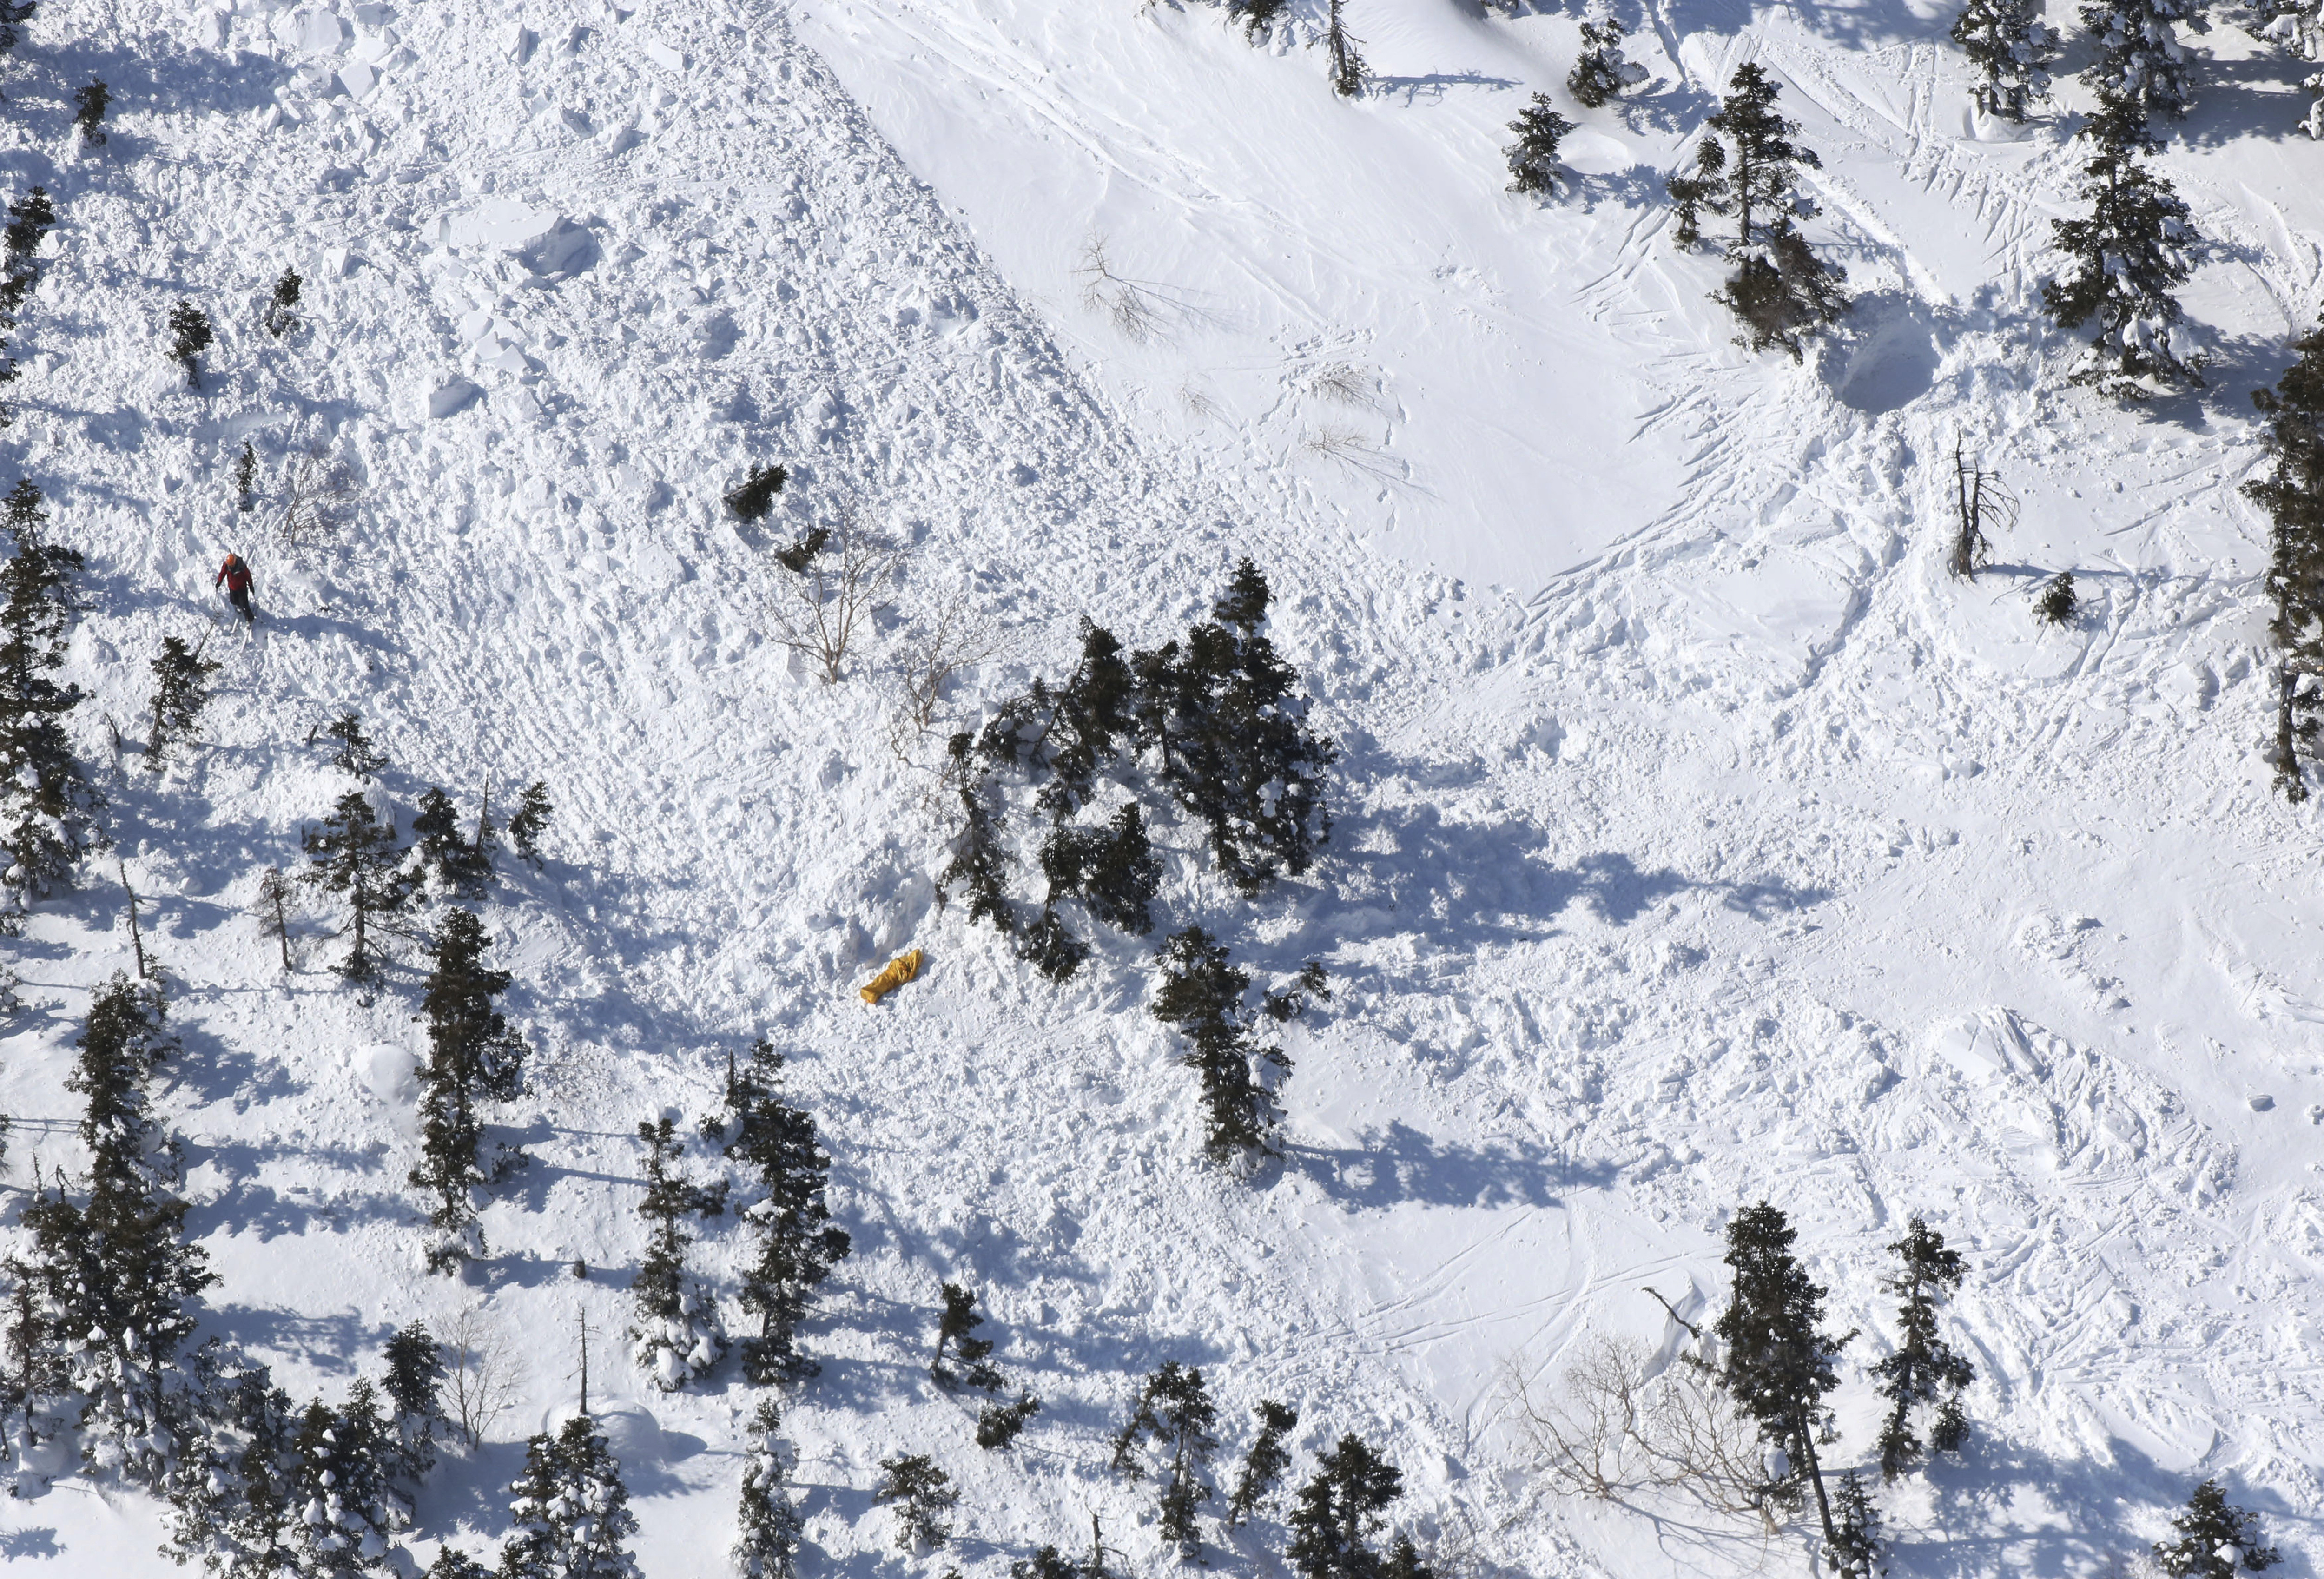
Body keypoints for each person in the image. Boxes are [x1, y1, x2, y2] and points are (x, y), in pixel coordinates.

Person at [215, 552, 254, 625]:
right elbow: (223, 573)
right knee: (234, 601)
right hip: (232, 588)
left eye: (231, 565)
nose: (230, 566)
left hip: (242, 588)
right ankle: (239, 606)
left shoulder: (242, 567)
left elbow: (248, 576)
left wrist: (251, 586)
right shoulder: (227, 565)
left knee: (244, 605)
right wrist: (219, 582)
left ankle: (250, 619)